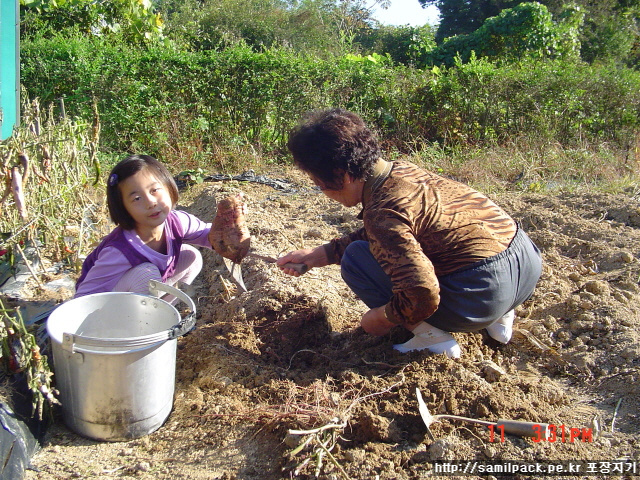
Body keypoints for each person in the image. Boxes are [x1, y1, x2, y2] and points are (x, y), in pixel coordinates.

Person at [277, 109, 542, 358]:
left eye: (320, 184)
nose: (323, 191)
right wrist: (320, 255)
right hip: (525, 266)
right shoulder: (401, 171)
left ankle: (432, 338)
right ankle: (501, 316)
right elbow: (392, 233)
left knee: (357, 260)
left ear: (341, 175)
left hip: (480, 296)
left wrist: (380, 318)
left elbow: (422, 293)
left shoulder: (382, 212)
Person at [75, 154, 213, 301]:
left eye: (154, 190)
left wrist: (234, 226)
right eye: (137, 199)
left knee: (191, 257)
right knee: (147, 275)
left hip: (138, 296)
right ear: (123, 208)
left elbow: (211, 236)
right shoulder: (119, 251)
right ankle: (144, 322)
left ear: (168, 187)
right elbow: (82, 299)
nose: (151, 202)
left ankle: (162, 318)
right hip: (107, 310)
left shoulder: (178, 221)